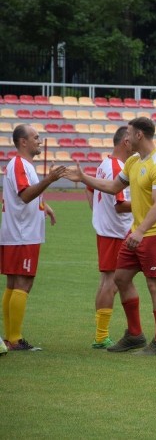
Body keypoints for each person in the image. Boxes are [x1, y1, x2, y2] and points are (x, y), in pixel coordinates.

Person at [66, 117, 156, 355]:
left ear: (139, 135)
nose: (125, 138)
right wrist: (84, 179)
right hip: (137, 233)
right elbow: (114, 187)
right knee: (121, 278)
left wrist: (139, 230)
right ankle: (135, 335)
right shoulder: (134, 161)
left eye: (129, 133)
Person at [1, 124, 65, 351]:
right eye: (35, 137)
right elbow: (25, 194)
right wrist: (49, 180)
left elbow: (19, 196)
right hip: (22, 234)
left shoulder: (21, 165)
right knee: (23, 283)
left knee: (13, 284)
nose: (39, 141)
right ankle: (15, 339)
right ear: (23, 142)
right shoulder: (19, 164)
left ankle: (10, 337)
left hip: (17, 232)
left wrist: (43, 206)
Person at [85, 126, 133, 349]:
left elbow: (90, 189)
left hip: (108, 230)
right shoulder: (117, 167)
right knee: (111, 282)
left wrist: (98, 214)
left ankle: (102, 334)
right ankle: (101, 336)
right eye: (134, 139)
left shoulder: (105, 163)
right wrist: (150, 204)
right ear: (126, 141)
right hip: (115, 232)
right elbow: (121, 205)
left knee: (111, 281)